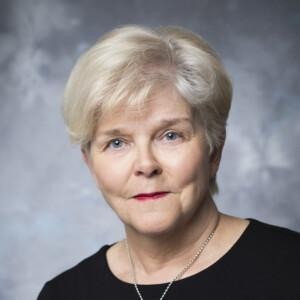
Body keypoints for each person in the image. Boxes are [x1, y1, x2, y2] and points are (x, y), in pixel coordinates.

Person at [37, 25, 300, 300]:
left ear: (214, 150)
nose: (146, 165)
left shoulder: (292, 270)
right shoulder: (64, 294)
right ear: (90, 163)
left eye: (170, 136)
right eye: (117, 142)